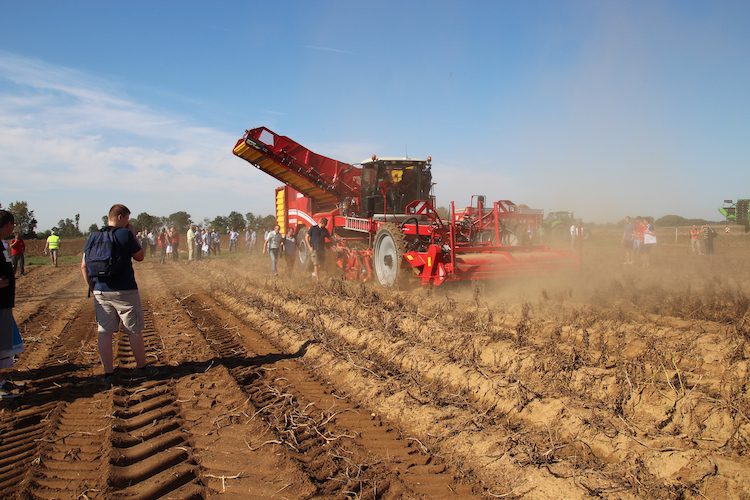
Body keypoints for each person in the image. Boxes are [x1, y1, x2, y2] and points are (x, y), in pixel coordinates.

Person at [81, 204, 151, 388]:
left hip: (100, 290)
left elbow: (83, 265)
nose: (128, 223)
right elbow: (140, 256)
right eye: (127, 219)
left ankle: (108, 374)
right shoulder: (125, 234)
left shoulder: (93, 235)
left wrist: (93, 286)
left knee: (104, 332)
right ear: (120, 217)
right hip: (125, 290)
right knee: (133, 330)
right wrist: (133, 233)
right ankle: (142, 369)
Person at [0, 210, 23, 398]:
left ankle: (1, 381)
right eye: (12, 224)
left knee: (4, 343)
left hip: (4, 303)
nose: (13, 227)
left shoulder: (2, 244)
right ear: (6, 225)